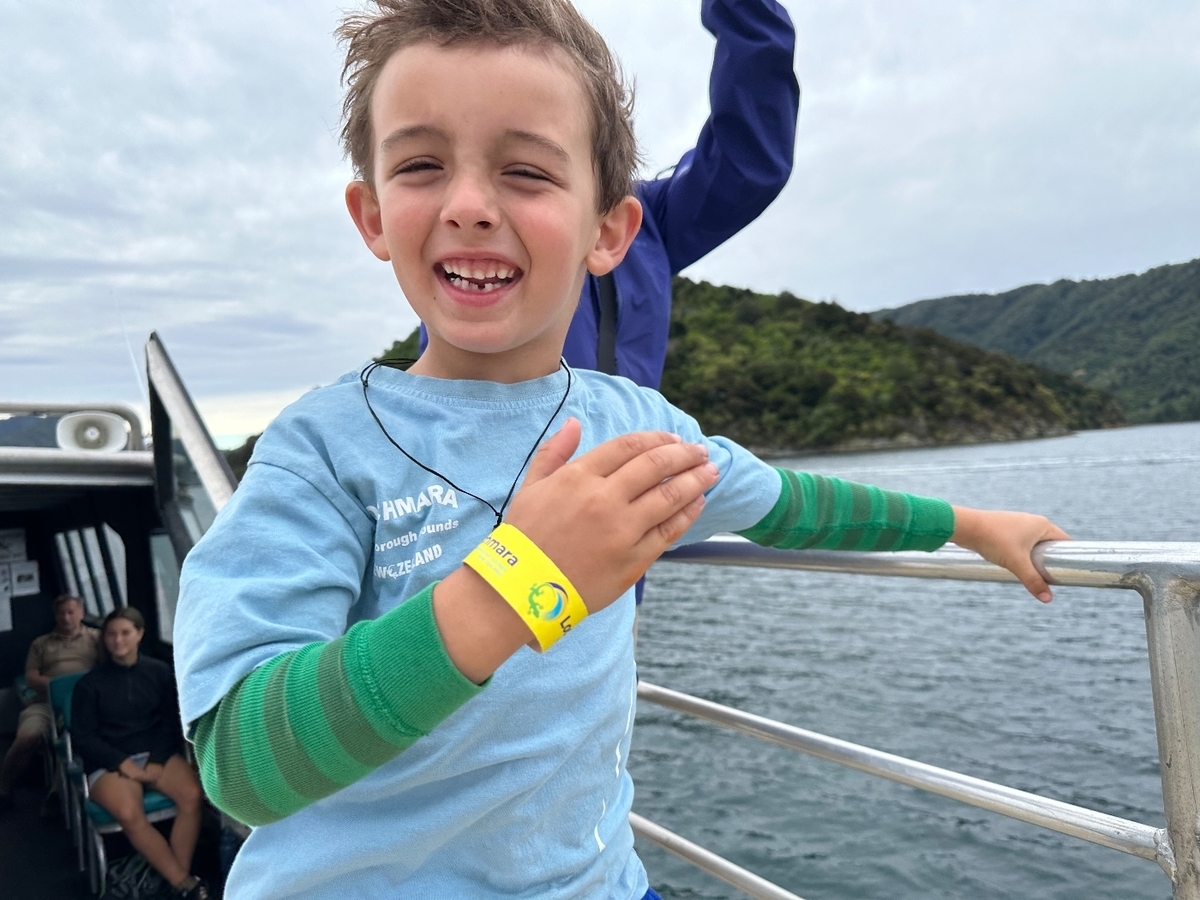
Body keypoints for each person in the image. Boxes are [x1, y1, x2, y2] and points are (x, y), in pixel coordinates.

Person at [173, 2, 1069, 897]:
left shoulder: (640, 427)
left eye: (526, 172)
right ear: (372, 215)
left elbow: (794, 506)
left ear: (608, 232)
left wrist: (969, 524)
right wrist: (518, 582)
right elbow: (241, 766)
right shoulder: (322, 450)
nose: (470, 206)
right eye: (420, 165)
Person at [72, 608, 209, 900]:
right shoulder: (89, 685)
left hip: (154, 752)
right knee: (129, 813)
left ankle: (174, 880)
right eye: (111, 634)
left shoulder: (159, 672)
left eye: (125, 633)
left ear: (140, 634)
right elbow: (84, 738)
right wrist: (121, 763)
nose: (118, 640)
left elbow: (170, 723)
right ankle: (184, 884)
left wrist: (157, 761)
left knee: (192, 796)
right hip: (110, 761)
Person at [0, 594, 100, 812]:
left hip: (83, 703)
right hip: (45, 702)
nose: (66, 618)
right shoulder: (41, 644)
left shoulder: (96, 639)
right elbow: (31, 677)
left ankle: (56, 795)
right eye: (61, 613)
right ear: (55, 616)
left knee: (76, 738)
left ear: (82, 613)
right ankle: (4, 787)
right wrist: (59, 687)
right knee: (27, 737)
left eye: (71, 612)